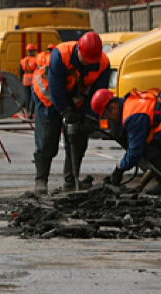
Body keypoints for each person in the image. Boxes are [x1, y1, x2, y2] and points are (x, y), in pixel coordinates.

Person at [32, 31, 110, 194]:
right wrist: (66, 111)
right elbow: (55, 87)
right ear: (79, 50)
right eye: (86, 60)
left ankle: (71, 179)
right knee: (47, 138)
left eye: (91, 61)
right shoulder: (61, 55)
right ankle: (41, 180)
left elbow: (98, 93)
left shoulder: (103, 63)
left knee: (79, 138)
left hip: (76, 99)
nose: (89, 64)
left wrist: (91, 117)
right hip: (48, 97)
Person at [92, 87, 161, 195]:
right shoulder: (130, 102)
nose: (109, 119)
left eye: (106, 115)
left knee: (150, 146)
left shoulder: (132, 114)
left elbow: (136, 150)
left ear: (112, 107)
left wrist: (119, 169)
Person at [19, 44, 38, 116]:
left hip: (25, 80)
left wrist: (22, 80)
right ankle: (32, 111)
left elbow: (21, 72)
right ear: (33, 51)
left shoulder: (23, 61)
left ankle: (27, 110)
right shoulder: (35, 60)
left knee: (27, 96)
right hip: (33, 80)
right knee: (33, 97)